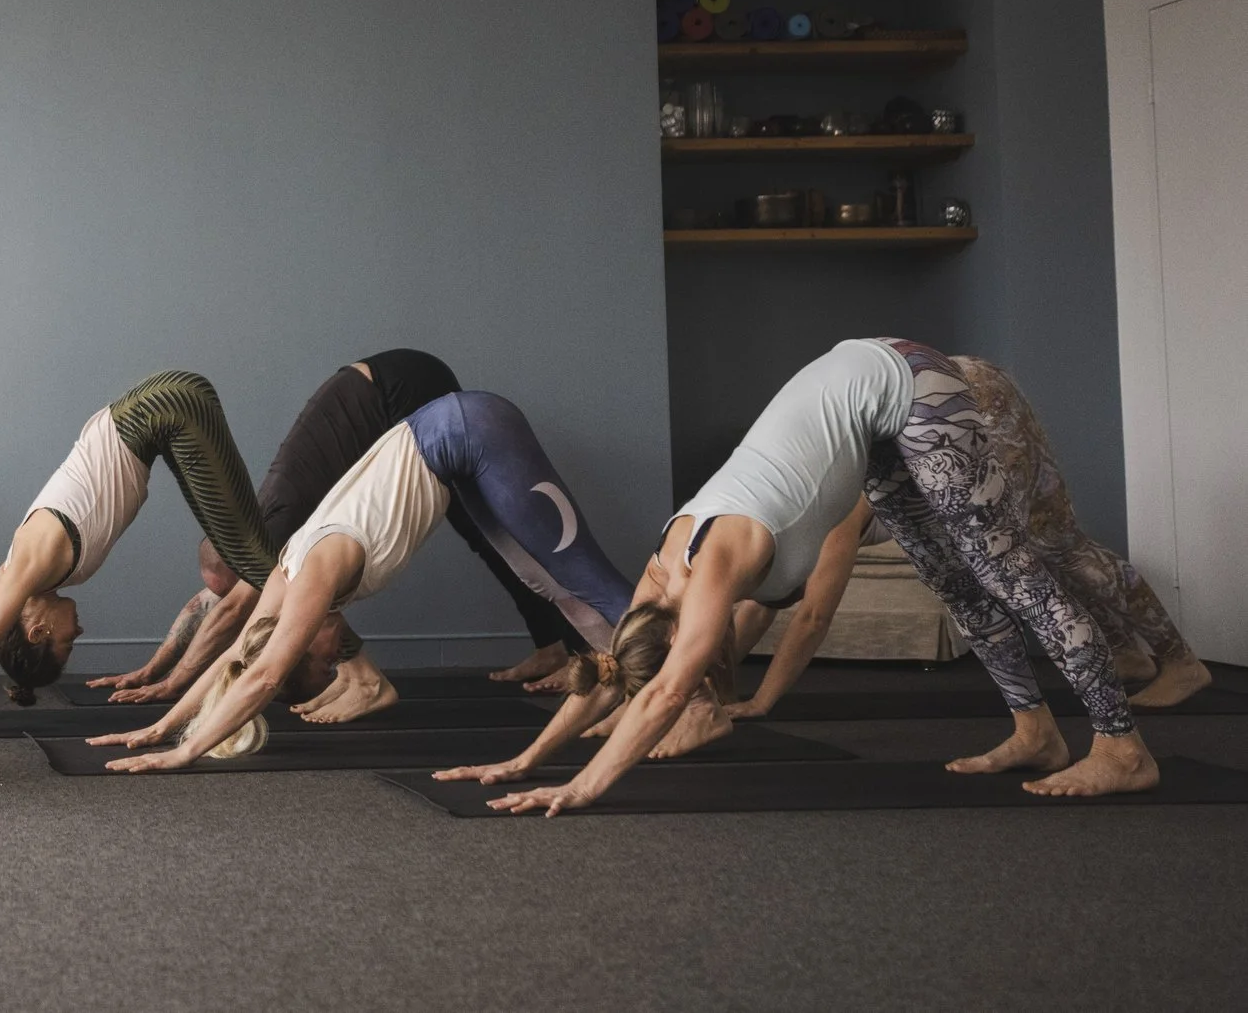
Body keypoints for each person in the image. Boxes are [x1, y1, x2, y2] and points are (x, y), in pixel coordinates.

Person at [444, 340, 1188, 815]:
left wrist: (580, 787)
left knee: (1011, 575)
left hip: (907, 382)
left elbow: (667, 690)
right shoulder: (655, 583)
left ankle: (1123, 746)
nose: (702, 673)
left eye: (699, 663)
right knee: (957, 587)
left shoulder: (709, 566)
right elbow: (610, 672)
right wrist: (523, 760)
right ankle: (1037, 731)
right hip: (866, 423)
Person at [85, 390, 638, 772]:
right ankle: (644, 681)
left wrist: (183, 753)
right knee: (543, 582)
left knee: (581, 576)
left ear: (300, 644)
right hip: (454, 447)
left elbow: (261, 676)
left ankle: (691, 696)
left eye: (323, 666)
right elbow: (239, 665)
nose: (336, 659)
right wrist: (161, 728)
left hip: (469, 427)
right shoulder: (287, 574)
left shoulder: (309, 578)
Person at [0, 370, 299, 739]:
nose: (78, 632)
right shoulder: (14, 575)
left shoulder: (28, 568)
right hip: (162, 416)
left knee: (266, 573)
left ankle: (351, 666)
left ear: (38, 632)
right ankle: (328, 645)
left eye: (67, 643)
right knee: (246, 568)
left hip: (165, 411)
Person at [713, 352, 1206, 721]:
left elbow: (815, 616)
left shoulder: (825, 519)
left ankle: (1180, 661)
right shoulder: (771, 541)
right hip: (918, 409)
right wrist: (709, 690)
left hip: (964, 393)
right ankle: (1123, 653)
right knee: (1027, 551)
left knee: (1053, 541)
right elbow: (758, 607)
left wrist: (760, 701)